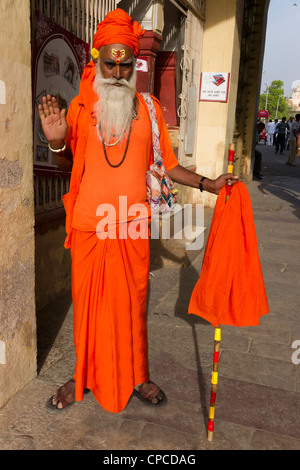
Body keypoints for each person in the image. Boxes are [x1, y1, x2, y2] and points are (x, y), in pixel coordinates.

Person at [38, 9, 238, 413]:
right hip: (91, 228)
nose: (115, 71)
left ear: (134, 65)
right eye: (108, 63)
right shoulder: (80, 109)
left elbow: (169, 165)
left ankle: (137, 375)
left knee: (133, 307)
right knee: (89, 311)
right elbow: (69, 166)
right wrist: (58, 142)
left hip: (131, 228)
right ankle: (83, 376)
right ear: (98, 61)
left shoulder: (148, 110)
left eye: (124, 64)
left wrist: (209, 184)